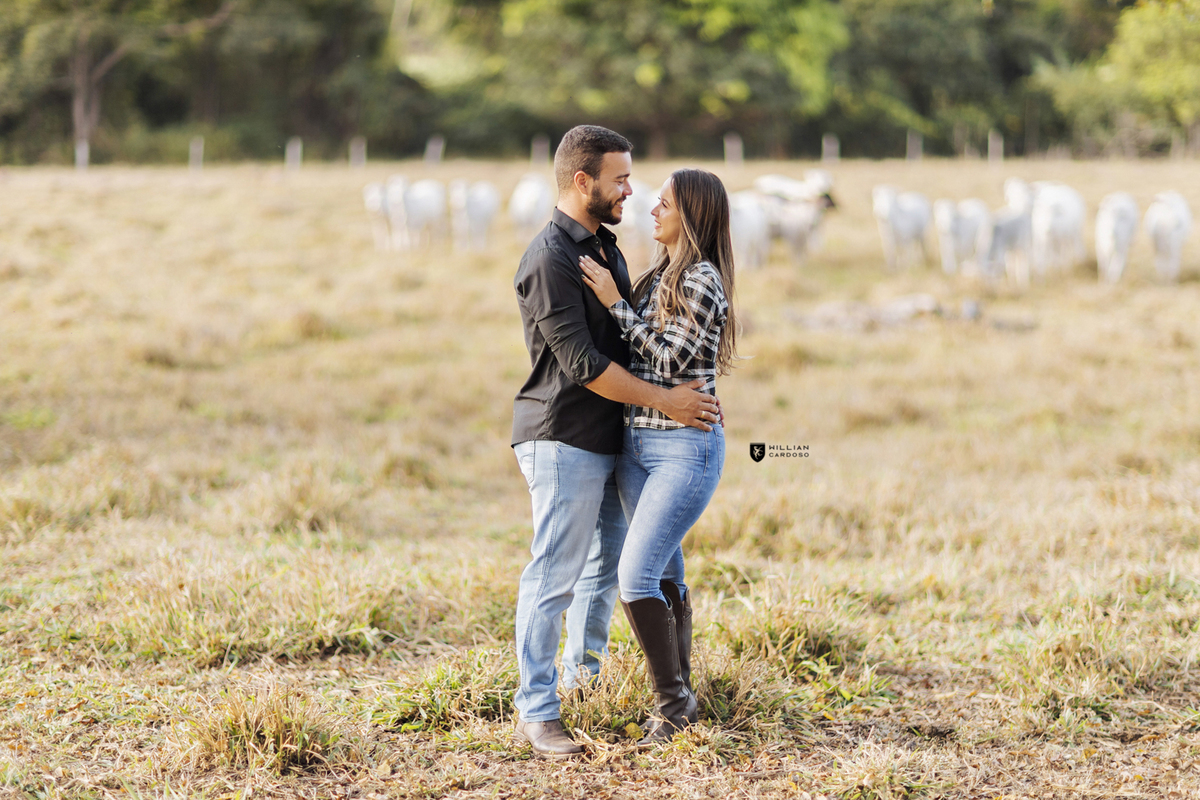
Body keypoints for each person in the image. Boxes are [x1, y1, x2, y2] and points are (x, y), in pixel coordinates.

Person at [511, 127, 721, 760]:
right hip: (564, 435)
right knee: (554, 575)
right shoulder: (551, 257)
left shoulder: (605, 247)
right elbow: (582, 364)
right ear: (583, 181)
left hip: (613, 438)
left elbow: (643, 339)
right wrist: (669, 400)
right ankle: (538, 711)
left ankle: (583, 683)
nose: (631, 190)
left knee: (604, 574)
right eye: (621, 179)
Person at [578, 168, 736, 744]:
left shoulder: (701, 280)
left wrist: (615, 304)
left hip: (683, 450)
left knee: (635, 574)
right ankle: (684, 692)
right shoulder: (659, 277)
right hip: (638, 444)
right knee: (665, 568)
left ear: (689, 215)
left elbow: (668, 363)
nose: (652, 210)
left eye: (664, 204)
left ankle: (671, 706)